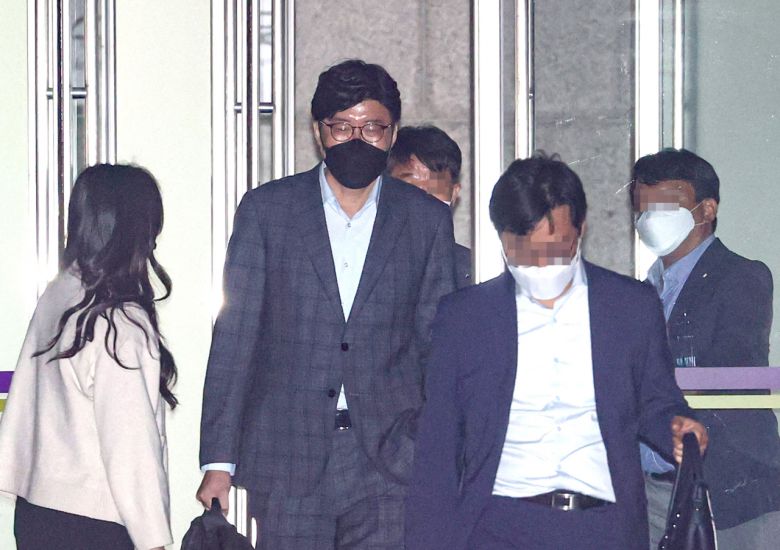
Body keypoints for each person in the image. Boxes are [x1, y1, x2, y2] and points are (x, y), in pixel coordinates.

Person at [197, 59, 457, 549]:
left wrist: (431, 444)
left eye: (372, 128)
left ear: (392, 133)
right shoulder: (268, 211)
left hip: (389, 460)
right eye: (342, 127)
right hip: (288, 455)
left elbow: (438, 345)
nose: (357, 139)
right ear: (320, 132)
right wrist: (218, 461)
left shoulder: (425, 220)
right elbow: (236, 338)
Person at [405, 153, 707, 550]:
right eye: (528, 253)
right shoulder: (465, 318)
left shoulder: (631, 306)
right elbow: (438, 449)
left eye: (559, 248)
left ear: (581, 230)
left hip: (604, 527)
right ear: (503, 240)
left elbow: (656, 400)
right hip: (497, 526)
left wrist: (676, 428)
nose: (544, 265)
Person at [0, 164, 176, 550]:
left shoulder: (61, 293)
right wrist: (153, 540)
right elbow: (130, 446)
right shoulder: (118, 319)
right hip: (96, 521)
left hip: (37, 511)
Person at [632, 148, 780, 549]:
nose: (651, 217)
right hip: (649, 492)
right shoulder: (640, 292)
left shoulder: (740, 277)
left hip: (727, 491)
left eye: (666, 203)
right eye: (644, 207)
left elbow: (732, 372)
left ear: (707, 209)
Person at [388, 125, 472, 287]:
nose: (423, 204)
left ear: (454, 194)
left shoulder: (475, 271)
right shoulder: (364, 266)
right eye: (412, 190)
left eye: (434, 192)